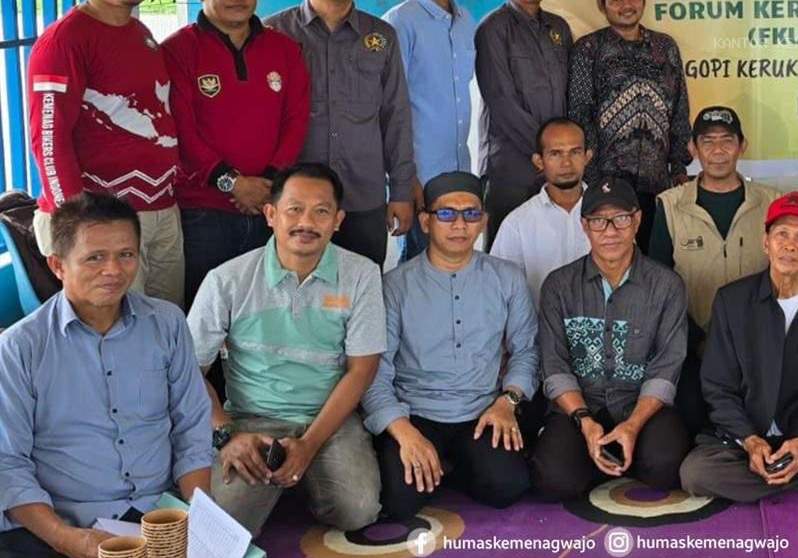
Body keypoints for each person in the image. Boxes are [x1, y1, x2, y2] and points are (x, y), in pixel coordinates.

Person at [0, 194, 247, 558]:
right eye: (94, 257)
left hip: (154, 512)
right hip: (63, 519)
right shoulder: (20, 347)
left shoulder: (166, 323)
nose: (113, 271)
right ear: (58, 265)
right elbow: (7, 464)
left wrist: (198, 518)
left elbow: (190, 427)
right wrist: (66, 539)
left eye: (125, 254)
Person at [188, 163, 385, 537]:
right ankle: (281, 476)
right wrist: (226, 435)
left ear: (338, 221)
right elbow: (188, 371)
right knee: (221, 525)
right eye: (294, 209)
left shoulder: (361, 274)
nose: (306, 222)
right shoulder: (226, 280)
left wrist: (309, 444)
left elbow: (361, 370)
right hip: (250, 420)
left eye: (321, 211)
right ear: (270, 214)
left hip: (328, 418)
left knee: (357, 510)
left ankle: (300, 472)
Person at [678, 192, 798, 501]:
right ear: (765, 242)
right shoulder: (732, 301)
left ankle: (780, 474)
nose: (790, 245)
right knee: (695, 473)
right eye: (781, 233)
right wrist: (750, 440)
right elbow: (717, 386)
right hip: (745, 441)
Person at [363, 173, 536, 520]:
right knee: (399, 501)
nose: (460, 224)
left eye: (471, 214)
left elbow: (527, 350)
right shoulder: (395, 286)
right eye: (446, 214)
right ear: (425, 222)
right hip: (414, 412)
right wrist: (403, 432)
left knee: (507, 487)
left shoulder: (508, 277)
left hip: (481, 410)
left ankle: (451, 465)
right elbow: (374, 371)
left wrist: (508, 401)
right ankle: (440, 461)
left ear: (484, 221)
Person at [26, 0, 182, 303]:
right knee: (111, 336)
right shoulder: (64, 41)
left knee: (164, 323)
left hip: (159, 209)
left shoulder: (137, 32)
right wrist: (82, 226)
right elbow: (48, 140)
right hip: (101, 220)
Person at [163, 0, 310, 307]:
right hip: (204, 210)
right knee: (205, 312)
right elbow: (182, 130)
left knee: (265, 309)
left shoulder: (284, 49)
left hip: (270, 205)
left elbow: (295, 119)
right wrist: (233, 183)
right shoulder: (177, 51)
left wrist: (269, 185)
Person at [529, 178, 691, 500]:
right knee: (553, 481)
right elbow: (554, 364)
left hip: (639, 403)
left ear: (637, 220)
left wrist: (633, 425)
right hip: (578, 407)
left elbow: (666, 368)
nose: (611, 231)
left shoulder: (667, 285)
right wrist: (585, 422)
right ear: (584, 226)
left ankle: (618, 450)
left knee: (666, 467)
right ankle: (596, 453)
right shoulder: (559, 286)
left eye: (621, 219)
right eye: (599, 221)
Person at [265, 0, 415, 265]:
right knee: (293, 292)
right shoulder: (273, 33)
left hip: (362, 195)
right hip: (295, 201)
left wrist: (402, 191)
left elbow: (396, 116)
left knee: (361, 291)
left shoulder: (382, 36)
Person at [646, 106, 779, 432]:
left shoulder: (772, 202)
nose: (718, 151)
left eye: (727, 141)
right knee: (692, 425)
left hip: (759, 348)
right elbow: (658, 285)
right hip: (691, 348)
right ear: (693, 148)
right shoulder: (669, 205)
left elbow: (788, 277)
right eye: (708, 142)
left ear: (742, 146)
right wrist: (699, 340)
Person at [567, 0, 691, 237]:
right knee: (614, 256)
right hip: (607, 186)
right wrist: (593, 176)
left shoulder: (665, 47)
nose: (627, 5)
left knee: (656, 259)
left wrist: (679, 166)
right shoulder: (589, 50)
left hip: (659, 183)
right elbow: (579, 113)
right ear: (602, 5)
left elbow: (679, 109)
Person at [384, 0, 477, 259]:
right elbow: (390, 107)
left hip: (458, 172)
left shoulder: (466, 20)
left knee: (453, 264)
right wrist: (403, 176)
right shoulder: (399, 23)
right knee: (417, 269)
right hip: (419, 178)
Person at [474, 0, 572, 243]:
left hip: (555, 165)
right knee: (508, 249)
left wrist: (559, 155)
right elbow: (501, 99)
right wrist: (546, 151)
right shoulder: (493, 28)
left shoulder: (558, 28)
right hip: (511, 168)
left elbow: (569, 92)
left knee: (553, 247)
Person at [491, 117, 592, 300]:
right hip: (539, 327)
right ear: (539, 161)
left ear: (587, 157)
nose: (566, 163)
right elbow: (499, 292)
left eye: (575, 152)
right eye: (555, 154)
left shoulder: (611, 216)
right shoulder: (517, 224)